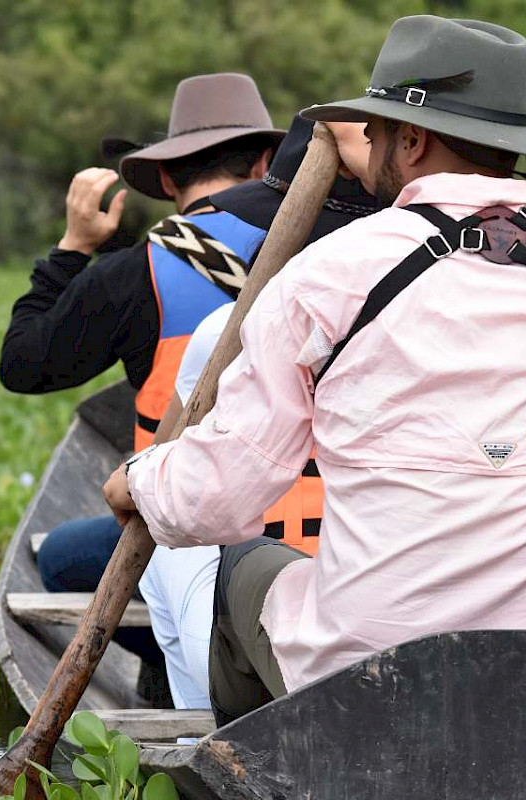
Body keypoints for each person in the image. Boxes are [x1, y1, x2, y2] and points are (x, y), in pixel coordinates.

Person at [104, 14, 526, 726]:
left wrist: (138, 482)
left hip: (370, 673)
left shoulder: (332, 274)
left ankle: (251, 756)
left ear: (412, 137)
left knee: (237, 563)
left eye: (382, 129)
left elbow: (218, 498)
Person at [0, 74, 285, 635]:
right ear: (265, 164)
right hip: (314, 521)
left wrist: (74, 247)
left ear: (162, 176)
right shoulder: (333, 248)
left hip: (189, 527)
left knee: (58, 556)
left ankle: (168, 662)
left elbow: (24, 364)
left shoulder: (135, 270)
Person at [138, 118, 376, 709]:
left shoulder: (232, 330)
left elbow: (200, 496)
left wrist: (133, 483)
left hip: (324, 632)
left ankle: (203, 729)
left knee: (167, 548)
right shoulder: (454, 313)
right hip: (437, 615)